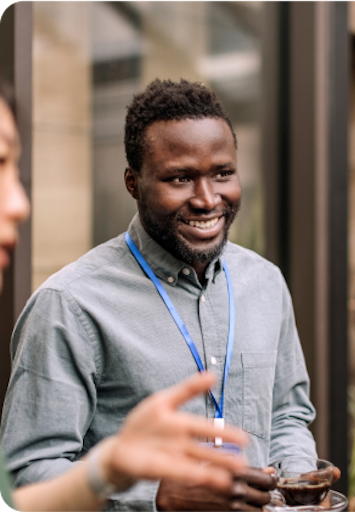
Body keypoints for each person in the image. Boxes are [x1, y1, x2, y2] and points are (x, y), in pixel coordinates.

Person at [0, 78, 318, 512]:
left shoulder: (266, 283)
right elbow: (27, 476)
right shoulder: (69, 305)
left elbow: (286, 415)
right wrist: (156, 496)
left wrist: (299, 482)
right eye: (180, 178)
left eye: (223, 173)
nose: (208, 200)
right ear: (133, 183)